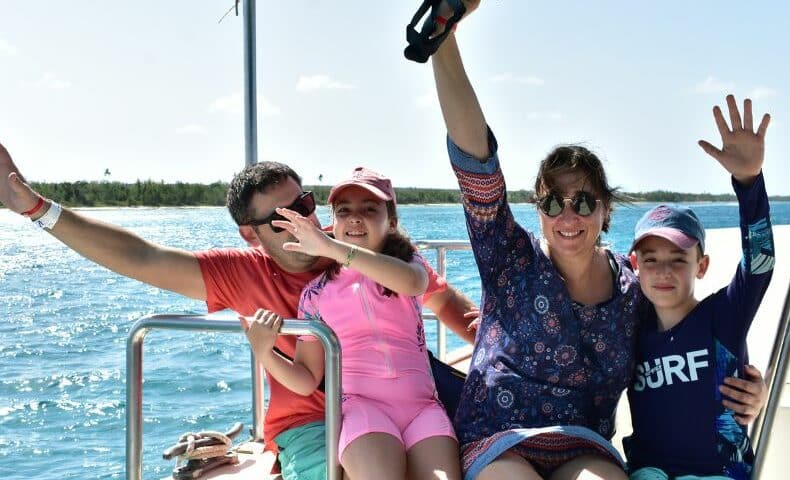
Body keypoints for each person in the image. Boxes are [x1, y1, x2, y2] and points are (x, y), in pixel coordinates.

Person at [425, 2, 769, 479]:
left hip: (582, 442)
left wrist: (747, 383)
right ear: (538, 211)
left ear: (605, 210)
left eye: (584, 202)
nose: (569, 215)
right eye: (553, 203)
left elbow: (688, 339)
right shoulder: (510, 258)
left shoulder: (634, 292)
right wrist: (444, 41)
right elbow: (476, 163)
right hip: (500, 438)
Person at [0, 148, 478, 480]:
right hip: (310, 421)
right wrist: (36, 209)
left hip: (404, 403)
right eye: (280, 218)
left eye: (305, 205)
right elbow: (141, 258)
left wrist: (493, 344)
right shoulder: (239, 273)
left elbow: (442, 302)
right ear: (252, 235)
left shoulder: (370, 259)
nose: (302, 221)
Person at [241, 167, 462, 480]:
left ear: (392, 222)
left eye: (370, 209)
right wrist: (265, 352)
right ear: (335, 221)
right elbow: (306, 379)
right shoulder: (317, 294)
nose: (355, 218)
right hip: (365, 413)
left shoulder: (409, 263)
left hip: (423, 410)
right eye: (345, 211)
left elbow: (413, 284)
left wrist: (331, 247)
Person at [624, 97, 773, 480]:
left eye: (678, 258)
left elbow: (759, 263)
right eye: (651, 259)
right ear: (635, 267)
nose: (663, 271)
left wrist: (749, 182)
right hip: (647, 473)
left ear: (701, 266)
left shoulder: (723, 315)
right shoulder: (628, 326)